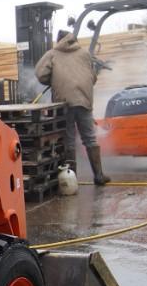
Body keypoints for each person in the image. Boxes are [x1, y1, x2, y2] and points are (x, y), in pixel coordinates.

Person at [34, 30, 110, 185]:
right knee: (89, 138)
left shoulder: (52, 54)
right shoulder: (84, 53)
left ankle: (71, 180)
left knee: (69, 140)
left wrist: (54, 80)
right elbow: (92, 77)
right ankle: (99, 176)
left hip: (64, 102)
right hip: (84, 100)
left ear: (59, 40)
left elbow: (40, 74)